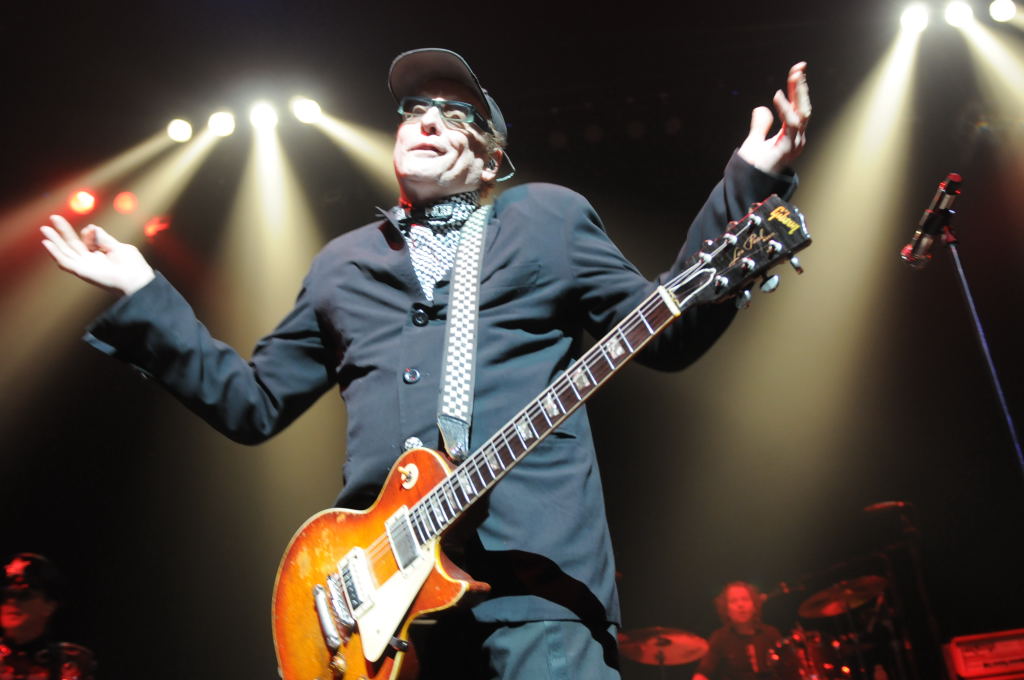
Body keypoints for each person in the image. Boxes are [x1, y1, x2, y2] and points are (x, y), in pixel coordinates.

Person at [39, 48, 811, 679]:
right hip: (383, 612)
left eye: (457, 114)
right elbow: (251, 405)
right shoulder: (342, 265)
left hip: (536, 592)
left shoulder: (545, 219)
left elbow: (667, 335)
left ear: (492, 156)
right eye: (414, 110)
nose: (429, 121)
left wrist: (747, 179)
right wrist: (143, 292)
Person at [1, 553, 96, 680]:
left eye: (24, 596)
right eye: (6, 596)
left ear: (50, 605)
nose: (12, 602)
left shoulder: (69, 663)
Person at [694, 581, 800, 680]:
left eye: (745, 599)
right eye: (733, 601)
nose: (740, 605)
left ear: (754, 605)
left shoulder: (770, 633)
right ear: (726, 609)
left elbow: (789, 670)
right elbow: (703, 672)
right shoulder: (720, 637)